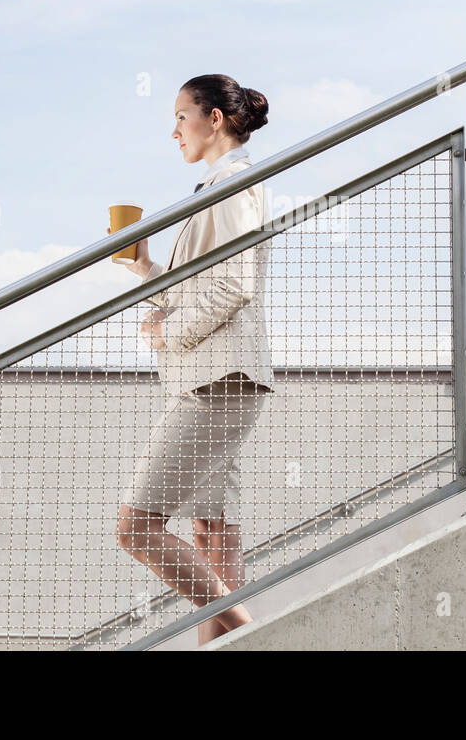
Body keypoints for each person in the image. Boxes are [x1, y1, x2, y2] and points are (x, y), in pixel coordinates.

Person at [111, 73, 275, 644]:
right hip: (216, 378)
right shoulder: (213, 189)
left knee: (137, 529)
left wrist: (167, 333)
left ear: (214, 119)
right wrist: (145, 271)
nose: (174, 131)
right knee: (212, 535)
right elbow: (198, 287)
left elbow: (236, 283)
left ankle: (263, 637)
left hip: (218, 381)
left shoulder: (235, 183)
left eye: (182, 117)